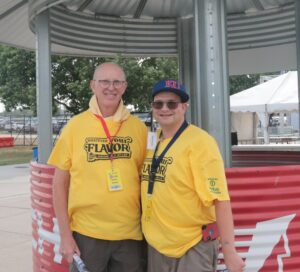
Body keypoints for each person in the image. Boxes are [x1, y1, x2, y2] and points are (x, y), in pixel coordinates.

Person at [48, 62, 148, 272]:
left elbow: (145, 181)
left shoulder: (138, 128)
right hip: (87, 236)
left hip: (130, 236)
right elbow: (59, 185)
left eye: (117, 82)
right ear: (93, 85)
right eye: (104, 81)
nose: (111, 87)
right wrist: (65, 236)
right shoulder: (75, 126)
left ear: (124, 86)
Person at [141, 79, 245, 272]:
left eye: (172, 103)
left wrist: (230, 251)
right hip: (157, 245)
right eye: (158, 103)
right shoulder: (153, 140)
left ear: (184, 107)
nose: (165, 108)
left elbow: (220, 200)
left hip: (191, 246)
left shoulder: (200, 143)